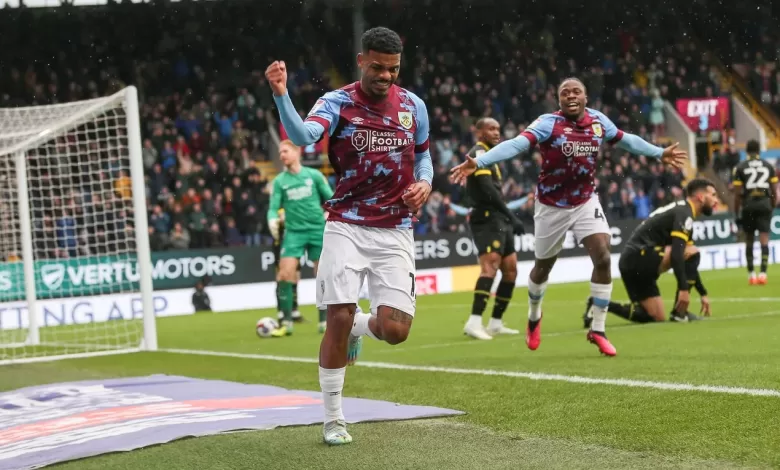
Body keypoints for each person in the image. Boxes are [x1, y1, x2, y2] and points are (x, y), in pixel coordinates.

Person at [265, 26, 433, 445]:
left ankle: (361, 326)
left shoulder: (414, 105)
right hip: (346, 224)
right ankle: (334, 419)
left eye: (393, 69)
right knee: (336, 318)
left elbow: (425, 157)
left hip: (395, 228)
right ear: (362, 61)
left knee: (396, 331)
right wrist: (281, 94)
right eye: (377, 67)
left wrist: (425, 184)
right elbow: (303, 137)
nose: (386, 76)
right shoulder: (337, 102)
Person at [450, 77, 688, 357]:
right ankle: (534, 315)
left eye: (576, 91)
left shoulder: (599, 121)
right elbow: (515, 144)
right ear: (559, 99)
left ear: (586, 98)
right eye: (565, 93)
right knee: (543, 267)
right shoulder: (548, 123)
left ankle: (598, 330)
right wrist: (479, 161)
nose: (571, 96)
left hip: (586, 200)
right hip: (551, 206)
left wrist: (658, 152)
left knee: (602, 255)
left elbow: (626, 140)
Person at [586, 179, 719, 325]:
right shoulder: (684, 213)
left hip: (631, 261)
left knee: (655, 316)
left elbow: (688, 262)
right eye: (713, 195)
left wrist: (702, 292)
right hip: (639, 257)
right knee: (690, 251)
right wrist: (683, 289)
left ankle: (599, 304)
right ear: (700, 197)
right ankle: (680, 313)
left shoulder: (682, 211)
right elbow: (678, 255)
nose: (716, 200)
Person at [461, 117, 525, 340]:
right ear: (479, 132)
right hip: (487, 218)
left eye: (498, 128)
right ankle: (474, 321)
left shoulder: (491, 155)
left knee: (510, 269)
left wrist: (507, 217)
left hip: (499, 218)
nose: (497, 132)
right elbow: (488, 190)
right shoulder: (479, 152)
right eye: (491, 128)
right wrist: (511, 216)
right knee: (490, 267)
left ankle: (496, 322)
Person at [267, 140, 334, 336]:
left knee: (322, 274)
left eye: (285, 151)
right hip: (293, 233)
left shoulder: (314, 175)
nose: (282, 156)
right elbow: (273, 208)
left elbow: (331, 198)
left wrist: (330, 212)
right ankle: (286, 323)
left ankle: (324, 321)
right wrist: (272, 220)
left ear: (297, 152)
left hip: (317, 230)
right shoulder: (279, 181)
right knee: (284, 274)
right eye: (279, 153)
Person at [732, 139, 778, 285]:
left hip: (749, 204)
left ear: (747, 151)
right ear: (759, 151)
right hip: (764, 203)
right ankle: (763, 274)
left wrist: (736, 213)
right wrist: (771, 206)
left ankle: (752, 274)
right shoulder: (768, 166)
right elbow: (774, 191)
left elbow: (738, 194)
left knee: (749, 240)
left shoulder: (740, 167)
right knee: (764, 239)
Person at [273, 208, 304, 325]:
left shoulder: (293, 208)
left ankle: (294, 310)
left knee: (295, 278)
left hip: (295, 246)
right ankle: (281, 311)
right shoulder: (277, 211)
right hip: (281, 248)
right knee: (282, 278)